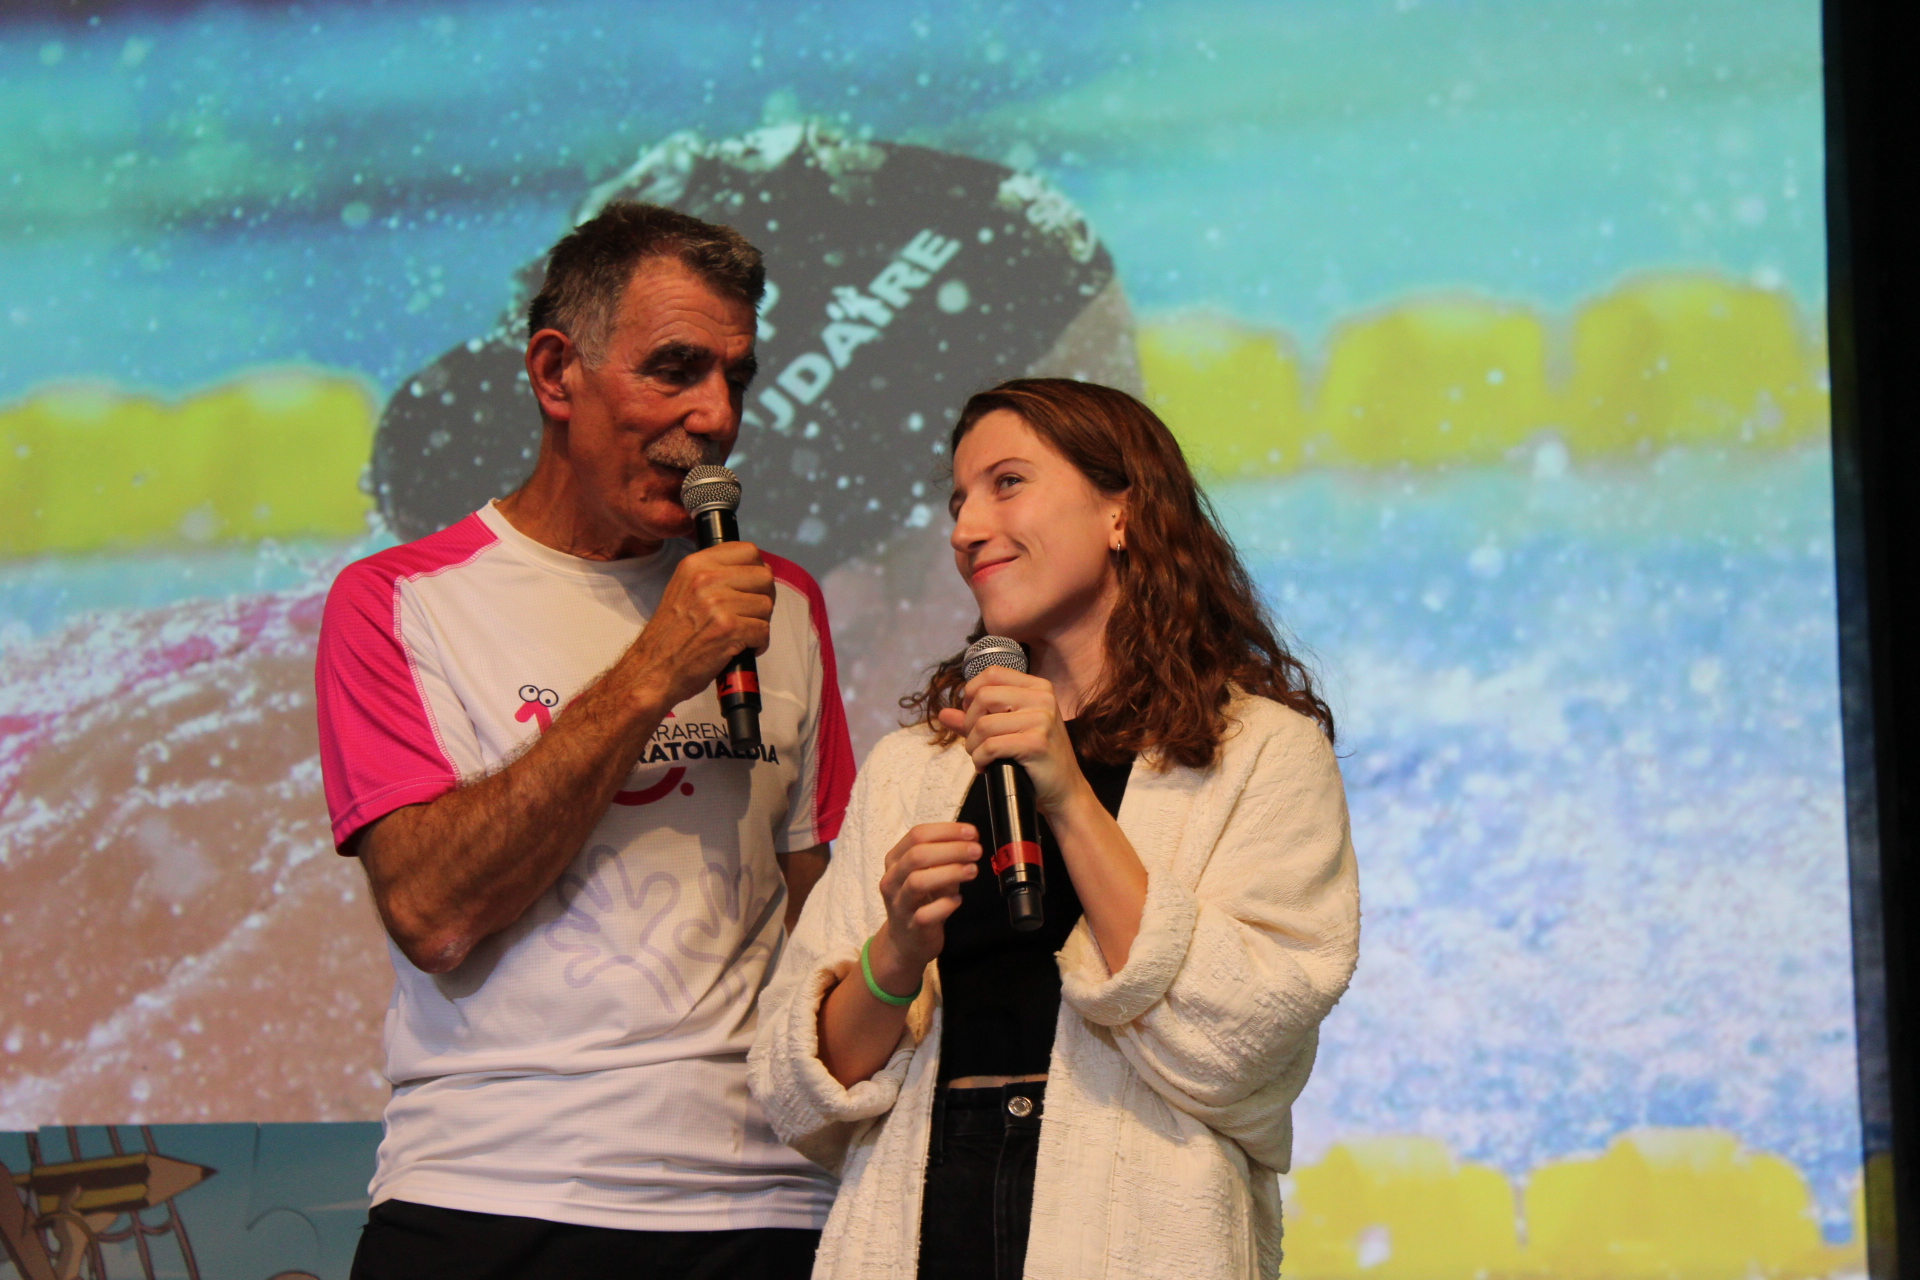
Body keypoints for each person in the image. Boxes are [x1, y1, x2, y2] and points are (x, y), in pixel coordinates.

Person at [314, 202, 854, 1280]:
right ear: (556, 372)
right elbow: (431, 913)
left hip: (765, 1200)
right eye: (675, 369)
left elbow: (818, 922)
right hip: (495, 1188)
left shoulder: (783, 603)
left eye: (736, 377)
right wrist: (654, 669)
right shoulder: (399, 601)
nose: (715, 416)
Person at [749, 378, 1360, 1279]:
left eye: (1006, 483)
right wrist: (896, 952)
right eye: (957, 502)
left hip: (1136, 1226)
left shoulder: (1260, 750)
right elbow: (798, 1088)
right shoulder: (917, 767)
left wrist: (1069, 795)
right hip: (927, 1210)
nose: (965, 529)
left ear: (1122, 512)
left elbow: (1251, 1036)